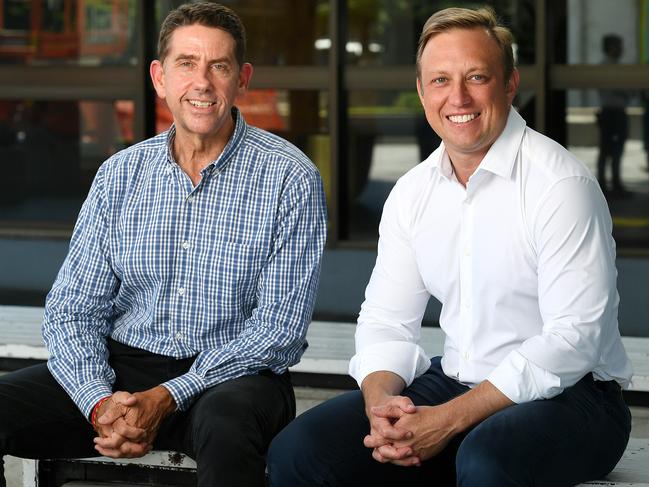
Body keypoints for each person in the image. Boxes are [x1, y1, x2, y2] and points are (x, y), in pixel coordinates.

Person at [267, 7, 632, 487]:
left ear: (509, 84)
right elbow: (386, 321)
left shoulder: (560, 185)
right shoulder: (414, 191)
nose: (457, 97)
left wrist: (447, 419)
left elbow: (573, 341)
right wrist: (382, 406)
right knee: (300, 451)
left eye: (476, 76)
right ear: (421, 92)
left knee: (484, 462)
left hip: (576, 396)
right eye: (440, 80)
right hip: (459, 378)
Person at [0, 3, 327, 487]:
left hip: (234, 375)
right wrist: (99, 401)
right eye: (186, 64)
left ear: (242, 79)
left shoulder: (290, 177)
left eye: (219, 66)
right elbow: (72, 309)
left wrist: (168, 395)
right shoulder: (121, 173)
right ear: (160, 77)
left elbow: (276, 331)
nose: (202, 82)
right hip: (122, 367)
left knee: (228, 426)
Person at [596, 34, 631, 196]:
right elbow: (621, 90)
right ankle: (605, 183)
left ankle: (612, 182)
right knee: (608, 149)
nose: (621, 49)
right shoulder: (607, 67)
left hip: (615, 112)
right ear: (611, 47)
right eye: (619, 45)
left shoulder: (615, 66)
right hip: (611, 112)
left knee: (614, 150)